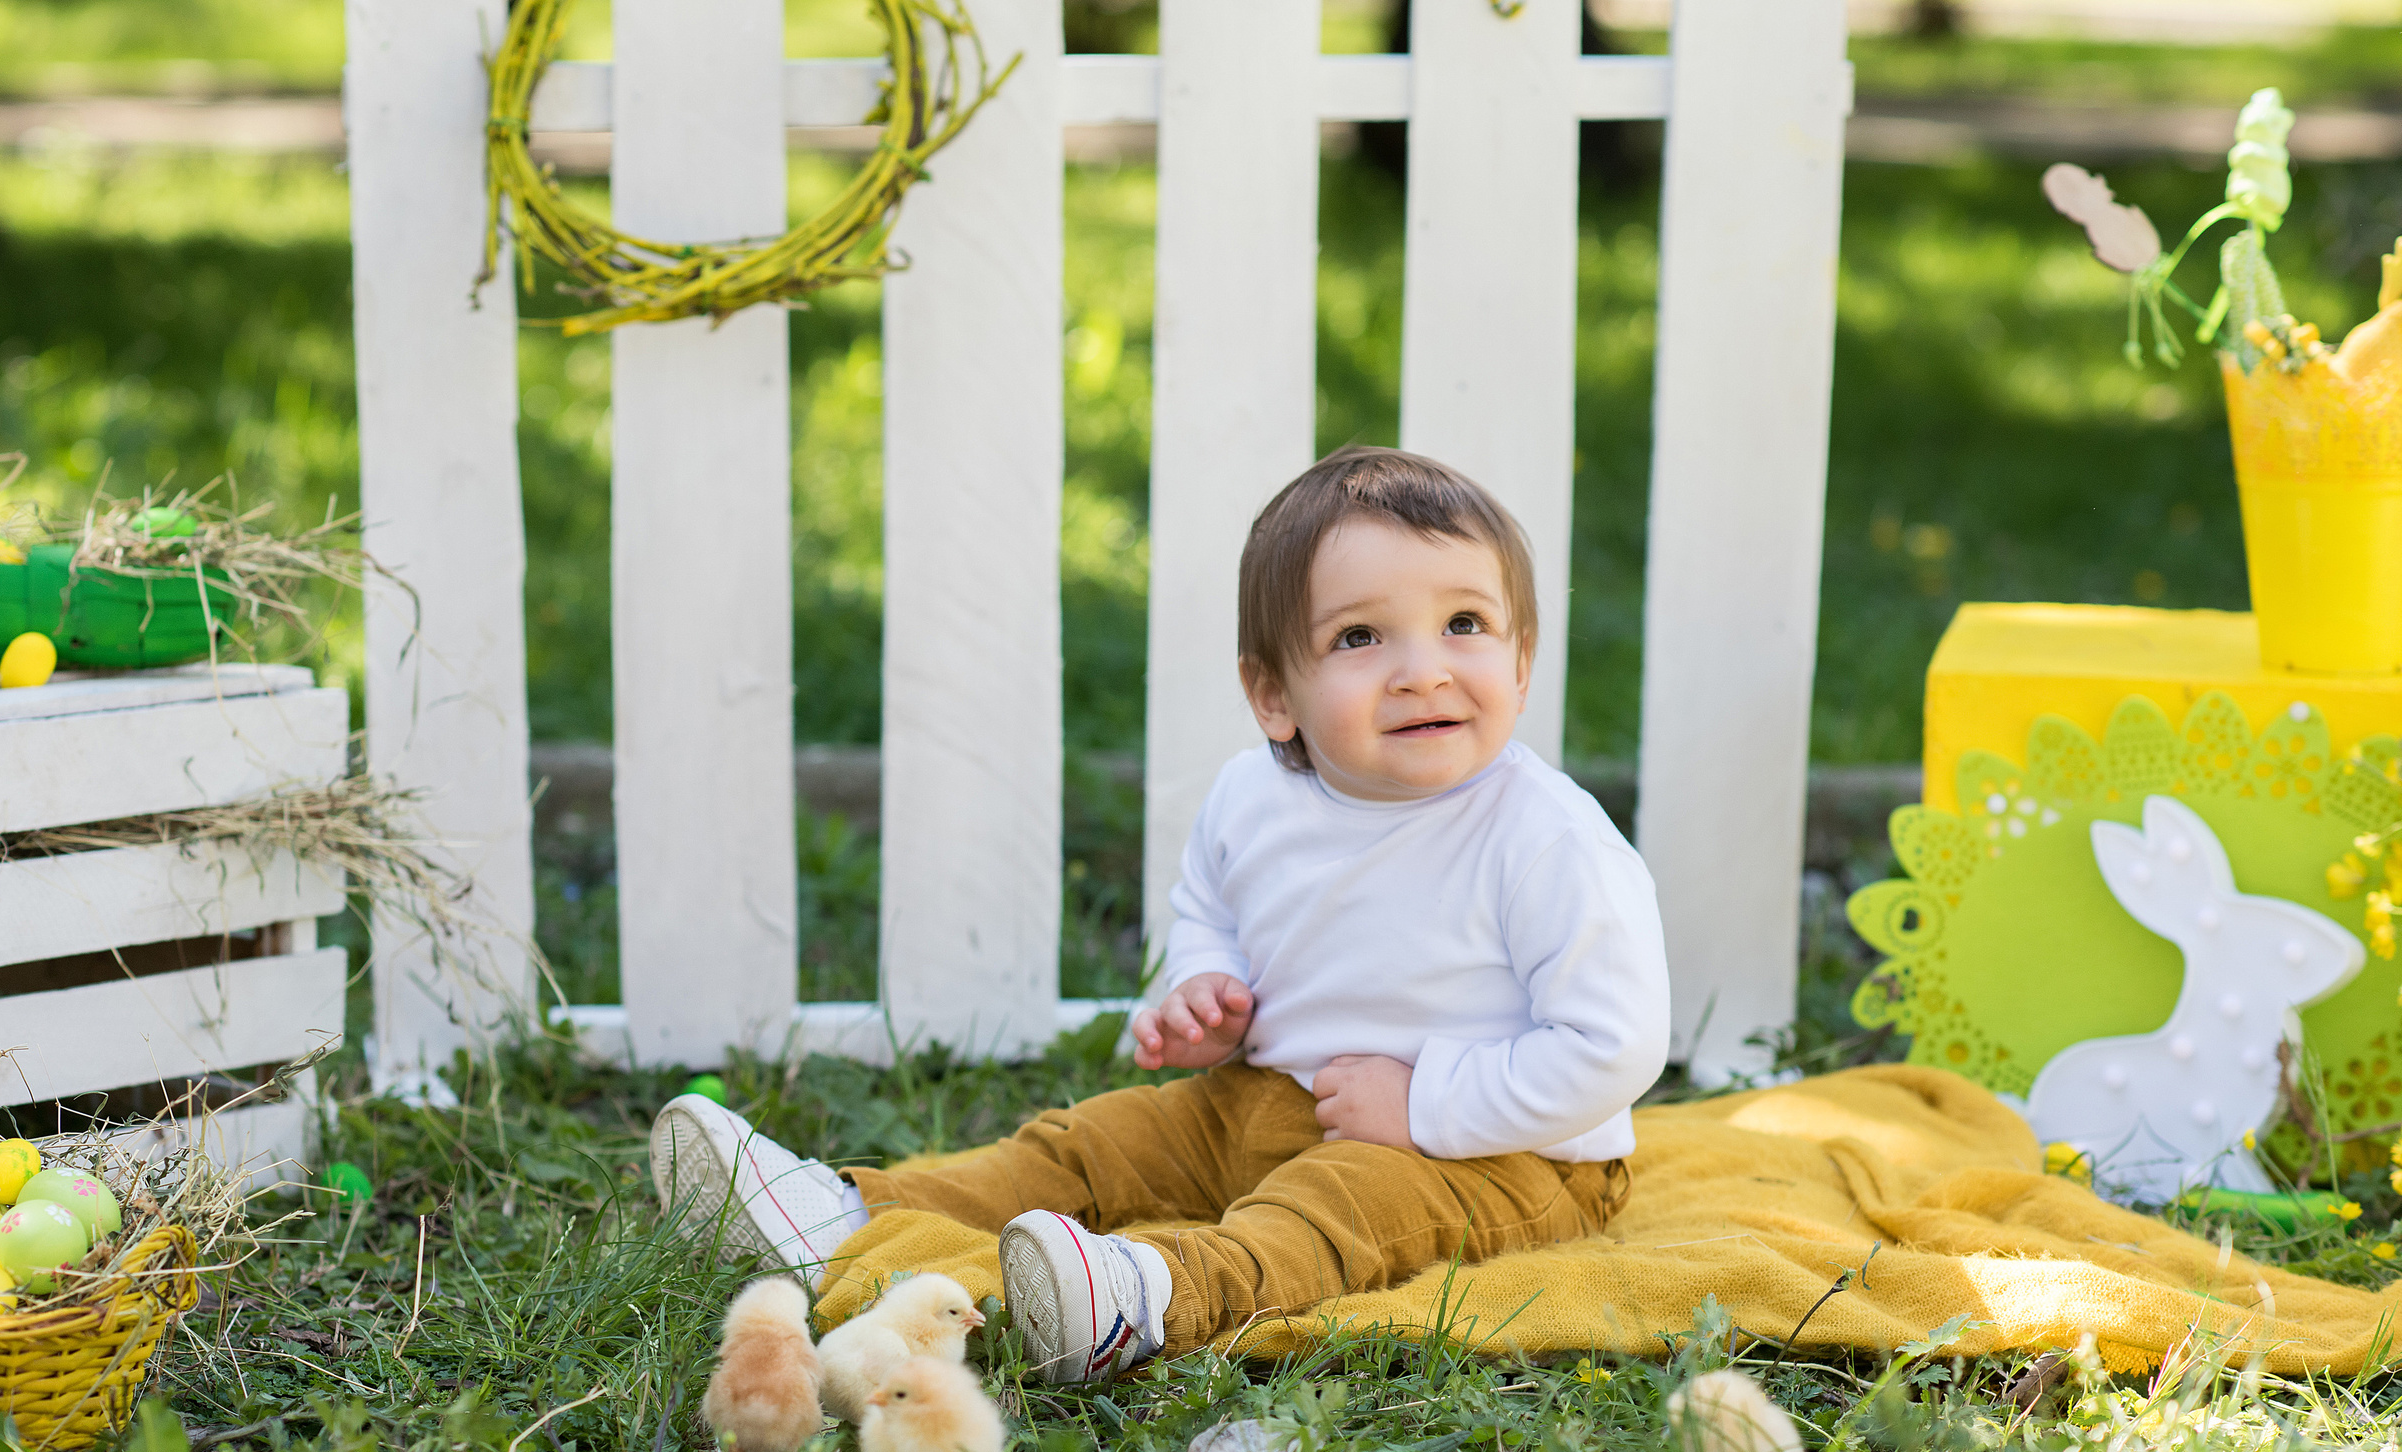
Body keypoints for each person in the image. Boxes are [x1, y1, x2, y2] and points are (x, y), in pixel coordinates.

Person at [652, 447, 1671, 1384]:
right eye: (1359, 635)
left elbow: (1610, 1043)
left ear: (1522, 659)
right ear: (1274, 696)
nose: (1423, 667)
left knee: (1334, 1215)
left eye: (1465, 624)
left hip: (1499, 1152)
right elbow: (1211, 907)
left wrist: (1426, 1104)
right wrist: (1205, 986)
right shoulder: (1252, 797)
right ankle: (840, 1207)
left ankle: (1148, 1293)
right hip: (1263, 1095)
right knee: (1094, 1141)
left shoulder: (1543, 839)